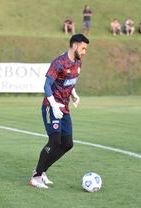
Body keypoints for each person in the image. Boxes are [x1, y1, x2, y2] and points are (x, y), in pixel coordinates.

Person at [29, 34, 90, 189]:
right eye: (83, 48)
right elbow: (47, 86)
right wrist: (54, 105)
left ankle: (42, 172)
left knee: (67, 144)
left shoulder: (78, 62)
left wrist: (74, 94)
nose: (84, 52)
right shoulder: (59, 62)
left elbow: (69, 82)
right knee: (55, 140)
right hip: (51, 107)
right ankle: (36, 177)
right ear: (75, 46)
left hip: (65, 109)